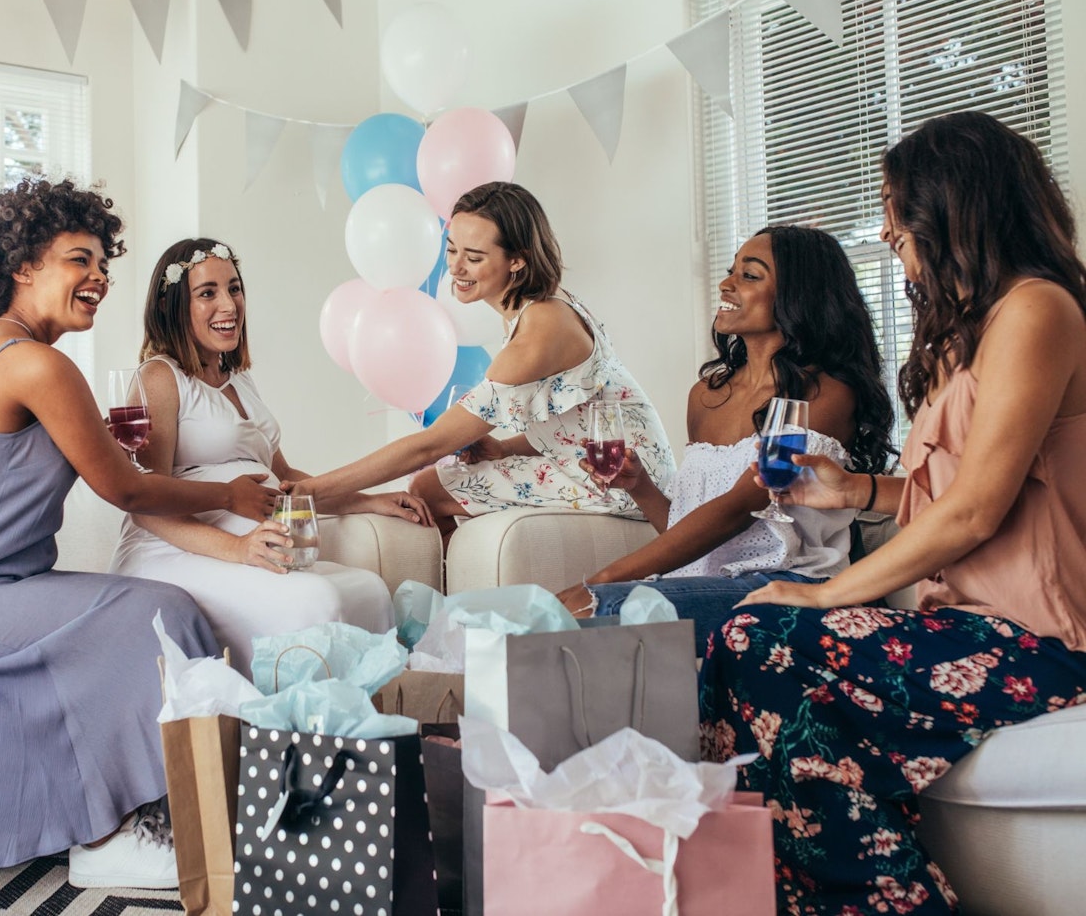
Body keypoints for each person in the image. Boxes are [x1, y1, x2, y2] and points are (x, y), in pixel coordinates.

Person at [700, 111, 1086, 915]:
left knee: (761, 637)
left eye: (896, 210)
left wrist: (821, 593)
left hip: (1044, 641)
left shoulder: (1039, 311)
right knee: (739, 644)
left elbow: (977, 510)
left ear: (956, 208)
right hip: (970, 626)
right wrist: (851, 492)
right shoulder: (974, 333)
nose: (884, 231)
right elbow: (965, 490)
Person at [0, 179, 276, 891]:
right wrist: (230, 492)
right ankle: (110, 835)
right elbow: (125, 488)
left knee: (152, 607)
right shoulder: (35, 363)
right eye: (77, 260)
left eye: (103, 264)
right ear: (23, 266)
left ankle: (168, 813)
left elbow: (114, 466)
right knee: (159, 611)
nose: (98, 278)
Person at [555, 225, 896, 654]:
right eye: (731, 271)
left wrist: (605, 578)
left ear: (798, 296)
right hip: (711, 584)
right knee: (561, 612)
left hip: (792, 586)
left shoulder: (822, 394)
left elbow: (741, 506)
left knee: (603, 607)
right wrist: (641, 488)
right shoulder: (707, 396)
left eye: (750, 276)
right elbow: (694, 531)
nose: (726, 283)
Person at [109, 238, 424, 668]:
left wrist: (370, 501)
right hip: (178, 553)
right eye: (207, 293)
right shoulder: (160, 377)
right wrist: (237, 547)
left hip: (251, 548)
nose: (229, 304)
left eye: (234, 288)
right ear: (174, 306)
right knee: (315, 601)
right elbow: (146, 506)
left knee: (368, 590)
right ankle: (300, 727)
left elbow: (286, 480)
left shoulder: (239, 380)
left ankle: (366, 728)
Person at [288, 181, 673, 532]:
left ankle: (450, 602)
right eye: (452, 249)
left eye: (473, 257)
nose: (455, 267)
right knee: (438, 479)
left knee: (427, 484)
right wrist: (504, 449)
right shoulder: (545, 307)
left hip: (626, 483)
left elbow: (429, 446)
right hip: (614, 467)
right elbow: (575, 421)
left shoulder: (537, 334)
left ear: (517, 260)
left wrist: (310, 490)